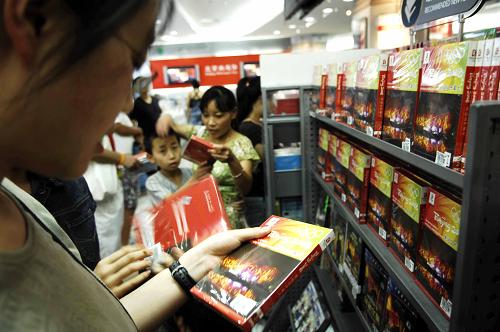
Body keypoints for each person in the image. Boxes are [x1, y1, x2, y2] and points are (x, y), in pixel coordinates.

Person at [0, 1, 270, 331]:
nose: (128, 104)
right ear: (37, 23)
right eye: (132, 60)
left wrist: (195, 263)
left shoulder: (22, 205)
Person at [156, 86, 261, 229]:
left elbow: (246, 188)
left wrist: (232, 161)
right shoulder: (200, 134)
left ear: (233, 113)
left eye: (218, 116)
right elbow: (172, 125)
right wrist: (166, 116)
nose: (211, 122)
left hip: (228, 220)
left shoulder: (242, 144)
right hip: (200, 215)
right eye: (205, 115)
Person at [146, 132, 212, 206]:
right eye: (162, 151)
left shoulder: (190, 172)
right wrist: (194, 180)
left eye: (174, 148)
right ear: (151, 157)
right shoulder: (152, 182)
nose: (171, 156)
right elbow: (168, 202)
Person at [114, 91, 144, 245]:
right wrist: (137, 130)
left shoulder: (124, 117)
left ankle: (125, 240)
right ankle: (124, 244)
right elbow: (117, 128)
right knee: (128, 207)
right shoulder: (117, 116)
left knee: (130, 207)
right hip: (123, 167)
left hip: (127, 165)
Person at [236, 77, 266, 227]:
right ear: (260, 99)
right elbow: (265, 157)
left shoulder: (257, 125)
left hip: (260, 194)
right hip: (256, 196)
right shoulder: (249, 129)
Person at [130, 76, 164, 153]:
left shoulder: (155, 99)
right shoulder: (137, 103)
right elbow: (133, 122)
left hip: (160, 137)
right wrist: (140, 140)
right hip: (148, 140)